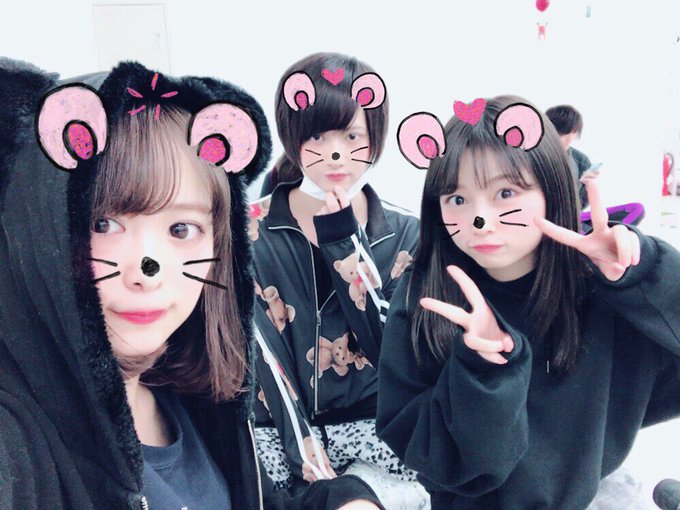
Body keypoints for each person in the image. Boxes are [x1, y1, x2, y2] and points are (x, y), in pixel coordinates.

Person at [0, 58, 383, 510]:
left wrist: (340, 499)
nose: (148, 270)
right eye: (103, 223)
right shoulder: (18, 444)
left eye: (181, 229)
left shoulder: (194, 406)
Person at [376, 95, 680, 509]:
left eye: (505, 192)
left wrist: (647, 273)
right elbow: (429, 451)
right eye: (457, 199)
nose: (480, 221)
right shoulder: (426, 297)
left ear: (552, 190)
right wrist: (483, 370)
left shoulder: (601, 293)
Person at [248, 52, 427, 508]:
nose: (335, 154)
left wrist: (345, 244)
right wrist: (314, 468)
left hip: (378, 441)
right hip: (277, 443)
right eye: (316, 135)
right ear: (292, 135)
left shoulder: (407, 234)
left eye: (351, 136)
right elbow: (262, 357)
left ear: (375, 137)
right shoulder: (247, 232)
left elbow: (394, 353)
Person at [546, 104, 593, 209]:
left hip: (570, 214)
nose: (563, 139)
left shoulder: (581, 161)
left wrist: (592, 185)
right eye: (559, 133)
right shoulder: (531, 156)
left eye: (570, 132)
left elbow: (585, 197)